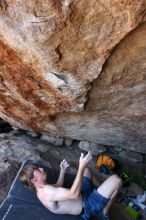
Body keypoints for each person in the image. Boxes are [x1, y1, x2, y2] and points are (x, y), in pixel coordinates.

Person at [20, 152, 122, 220]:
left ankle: (102, 192)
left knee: (87, 171)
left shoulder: (42, 187)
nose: (41, 169)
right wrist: (81, 165)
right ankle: (105, 210)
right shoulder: (46, 192)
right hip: (87, 206)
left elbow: (58, 185)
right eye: (38, 170)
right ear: (34, 180)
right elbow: (74, 195)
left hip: (83, 193)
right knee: (117, 180)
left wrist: (62, 171)